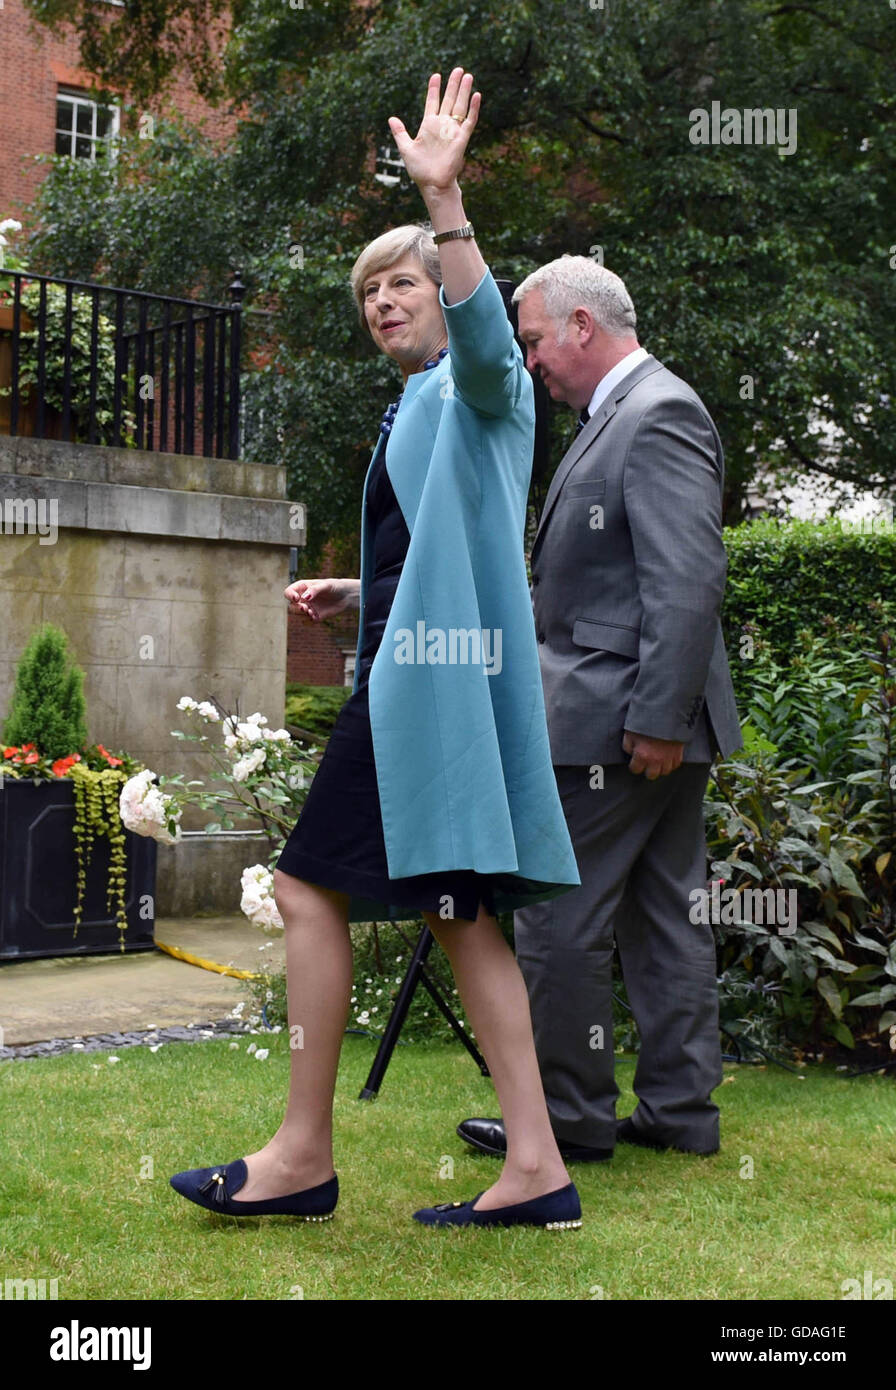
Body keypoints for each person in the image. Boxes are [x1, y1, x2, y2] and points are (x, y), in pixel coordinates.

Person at [170, 69, 584, 1231]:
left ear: (445, 295)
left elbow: (494, 353)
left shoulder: (482, 386)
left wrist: (442, 202)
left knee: (305, 885)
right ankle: (536, 1167)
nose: (382, 302)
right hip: (418, 673)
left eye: (401, 283)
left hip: (426, 696)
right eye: (368, 291)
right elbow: (447, 555)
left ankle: (300, 1155)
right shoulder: (419, 406)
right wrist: (359, 595)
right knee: (457, 909)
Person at [458, 255, 742, 1163]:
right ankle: (678, 1113)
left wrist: (659, 718)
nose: (529, 361)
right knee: (664, 920)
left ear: (582, 325)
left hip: (619, 726)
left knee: (556, 920)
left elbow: (688, 579)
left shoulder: (656, 414)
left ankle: (569, 1121)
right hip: (631, 721)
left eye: (535, 339)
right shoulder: (622, 415)